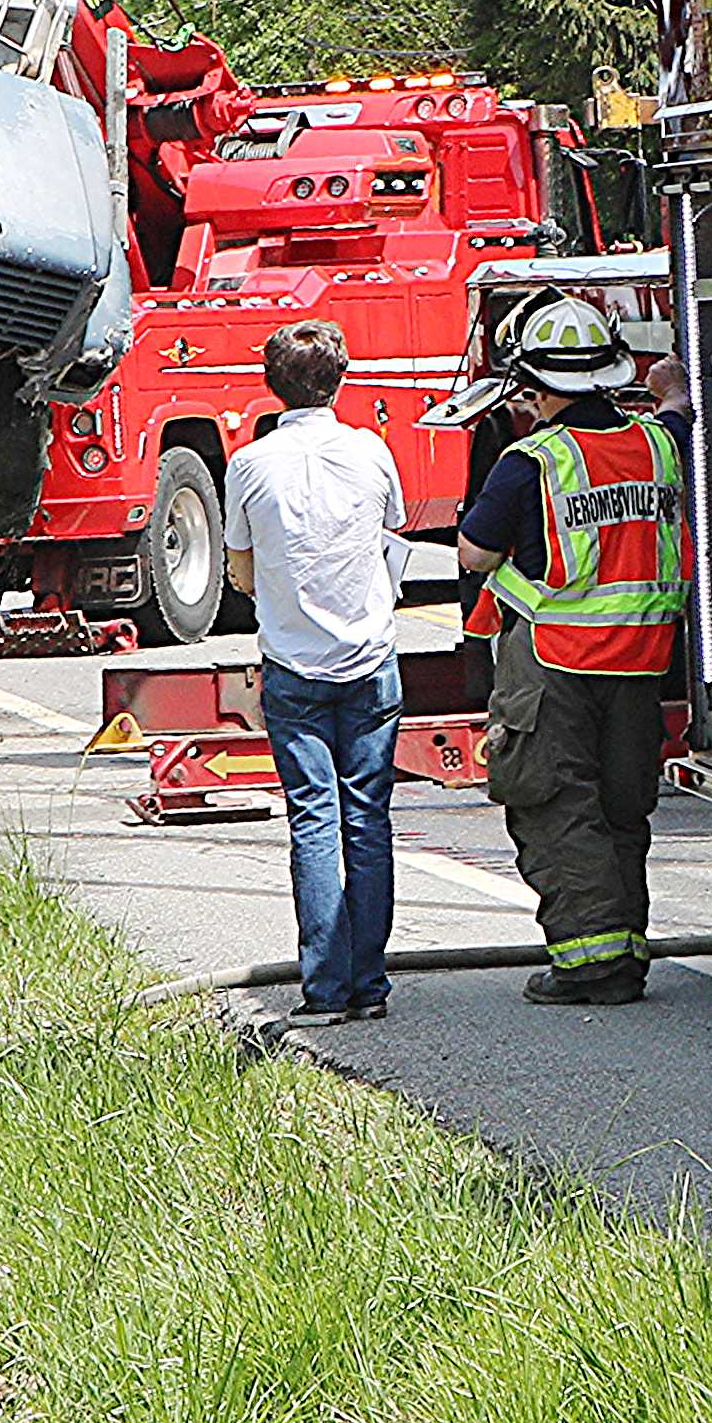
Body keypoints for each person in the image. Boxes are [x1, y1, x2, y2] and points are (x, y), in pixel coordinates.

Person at [453, 295, 690, 1006]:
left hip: (554, 664)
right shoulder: (658, 442)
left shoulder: (532, 460)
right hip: (640, 662)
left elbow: (474, 551)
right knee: (622, 807)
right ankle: (625, 948)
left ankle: (590, 962)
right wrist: (672, 387)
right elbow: (677, 409)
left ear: (532, 385)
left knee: (556, 806)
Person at [219, 321, 409, 1026]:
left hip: (293, 662)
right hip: (368, 658)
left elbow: (240, 566)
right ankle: (371, 984)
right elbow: (390, 531)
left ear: (271, 384)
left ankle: (324, 989)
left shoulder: (249, 463)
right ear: (341, 377)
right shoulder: (370, 451)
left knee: (313, 819)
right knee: (369, 819)